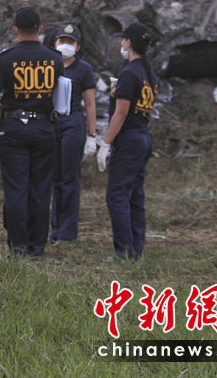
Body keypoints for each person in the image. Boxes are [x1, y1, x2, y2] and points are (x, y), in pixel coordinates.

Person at [0, 7, 63, 258]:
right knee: (41, 190)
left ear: (15, 30)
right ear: (40, 29)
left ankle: (18, 248)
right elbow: (61, 97)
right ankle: (37, 248)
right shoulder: (55, 58)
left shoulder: (5, 59)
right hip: (44, 127)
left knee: (16, 190)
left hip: (14, 128)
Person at [97, 22, 158, 261]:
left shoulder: (130, 73)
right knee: (135, 195)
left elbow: (121, 113)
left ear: (129, 42)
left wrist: (105, 143)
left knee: (117, 195)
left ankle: (123, 250)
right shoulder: (148, 73)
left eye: (123, 39)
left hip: (129, 139)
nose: (121, 44)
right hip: (143, 136)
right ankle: (136, 249)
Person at [48, 23, 97, 246]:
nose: (65, 45)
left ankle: (67, 232)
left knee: (69, 178)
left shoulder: (83, 69)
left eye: (70, 42)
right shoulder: (50, 64)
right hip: (52, 121)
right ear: (55, 43)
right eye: (62, 41)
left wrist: (92, 134)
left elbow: (90, 103)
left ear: (77, 46)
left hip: (73, 122)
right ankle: (55, 228)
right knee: (54, 178)